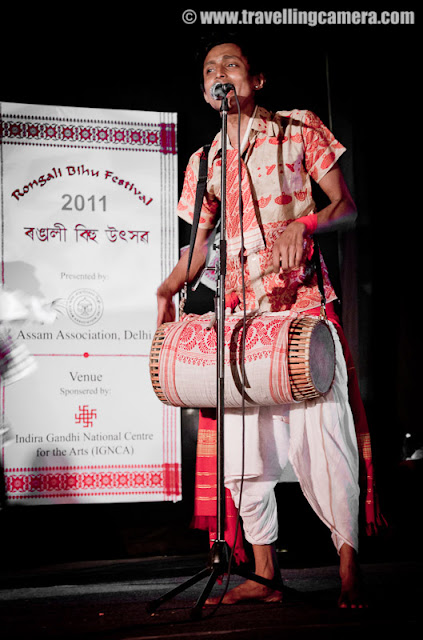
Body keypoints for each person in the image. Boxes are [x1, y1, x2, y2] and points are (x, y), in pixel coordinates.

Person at [157, 39, 382, 609]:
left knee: (324, 439)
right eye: (208, 69)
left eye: (229, 65)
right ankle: (263, 574)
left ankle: (349, 566)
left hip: (301, 308)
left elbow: (347, 206)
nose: (218, 75)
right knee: (242, 453)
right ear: (204, 91)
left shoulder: (297, 128)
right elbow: (201, 251)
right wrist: (165, 288)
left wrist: (303, 226)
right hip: (240, 318)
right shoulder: (203, 161)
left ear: (256, 78)